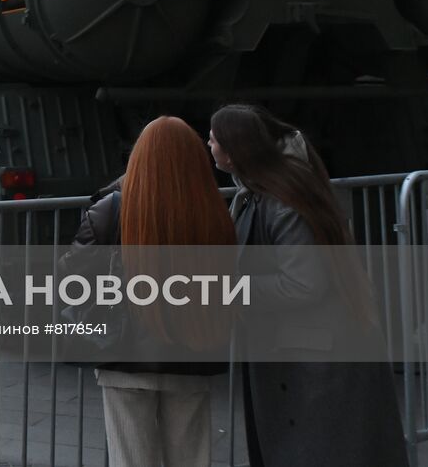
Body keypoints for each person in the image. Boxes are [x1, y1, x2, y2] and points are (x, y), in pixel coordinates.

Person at [208, 103, 408, 467]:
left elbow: (303, 283)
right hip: (306, 351)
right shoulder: (266, 190)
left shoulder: (282, 200)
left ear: (235, 152)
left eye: (214, 138)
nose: (208, 144)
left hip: (316, 359)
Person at [66, 116, 234, 467]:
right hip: (192, 351)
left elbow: (71, 279)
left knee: (130, 460)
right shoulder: (213, 214)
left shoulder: (109, 210)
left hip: (123, 355)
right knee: (191, 458)